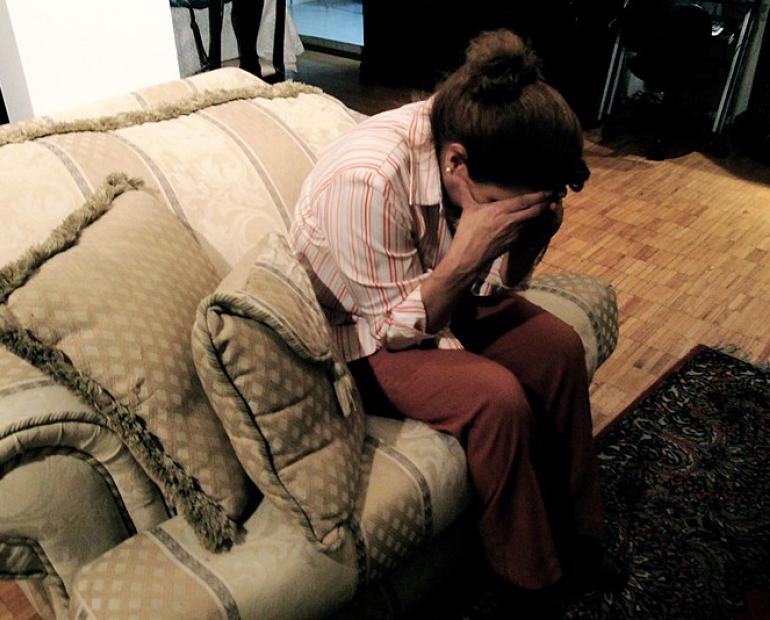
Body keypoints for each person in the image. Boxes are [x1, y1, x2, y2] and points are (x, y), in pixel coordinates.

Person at [290, 29, 618, 616]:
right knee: (496, 398)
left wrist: (519, 243)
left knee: (558, 349)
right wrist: (469, 256)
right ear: (455, 161)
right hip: (358, 331)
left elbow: (495, 287)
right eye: (501, 208)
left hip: (436, 292)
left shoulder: (482, 137)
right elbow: (392, 327)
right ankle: (528, 581)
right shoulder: (366, 180)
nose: (506, 219)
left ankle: (580, 533)